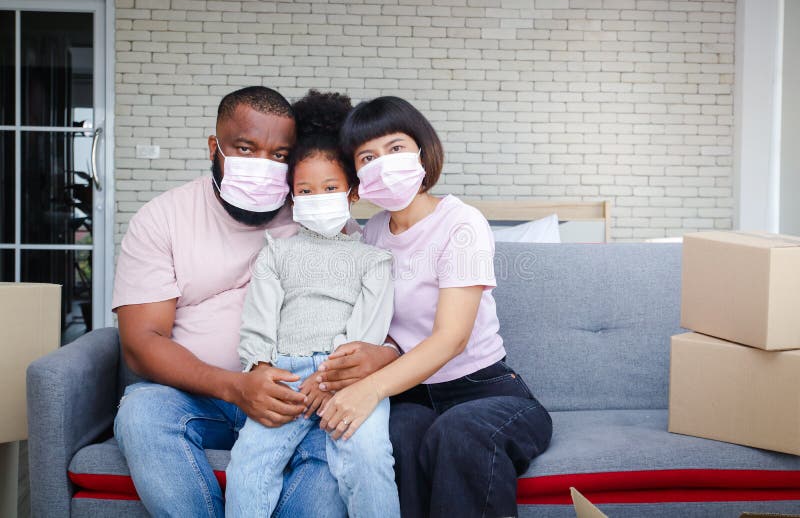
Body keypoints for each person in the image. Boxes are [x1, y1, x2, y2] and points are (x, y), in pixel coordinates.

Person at [111, 86, 398, 518]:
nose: (263, 166)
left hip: (301, 400)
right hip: (203, 398)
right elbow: (140, 341)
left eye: (279, 155)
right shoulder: (163, 218)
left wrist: (374, 356)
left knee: (335, 461)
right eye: (246, 149)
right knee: (140, 411)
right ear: (216, 147)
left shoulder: (315, 207)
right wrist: (237, 387)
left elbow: (368, 313)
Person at [316, 96, 553, 517]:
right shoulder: (372, 233)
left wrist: (368, 388)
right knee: (398, 435)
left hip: (485, 391)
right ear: (358, 175)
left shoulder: (460, 222)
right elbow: (381, 322)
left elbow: (452, 337)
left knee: (458, 432)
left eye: (395, 148)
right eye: (367, 156)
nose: (383, 162)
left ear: (423, 151)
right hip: (412, 395)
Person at [225, 90, 400, 517]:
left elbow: (368, 328)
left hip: (348, 376)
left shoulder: (374, 259)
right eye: (305, 189)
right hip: (283, 373)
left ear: (351, 193)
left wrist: (328, 378)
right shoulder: (275, 252)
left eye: (330, 187)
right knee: (249, 463)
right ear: (291, 198)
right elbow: (259, 318)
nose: (317, 196)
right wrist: (259, 365)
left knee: (369, 457)